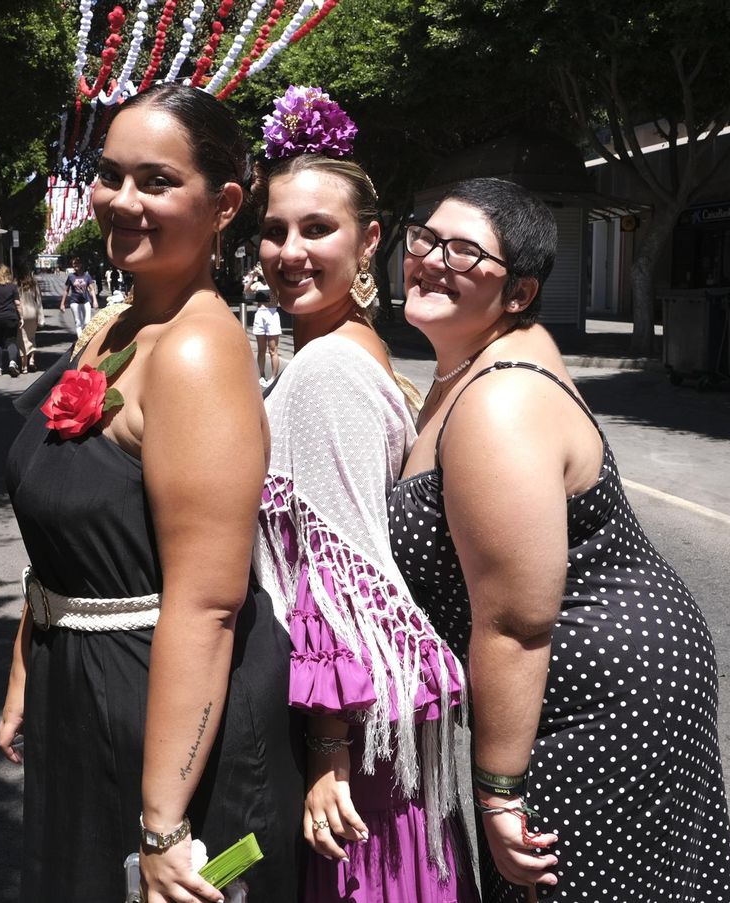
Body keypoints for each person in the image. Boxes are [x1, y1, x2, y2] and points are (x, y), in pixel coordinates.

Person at [389, 178, 730, 902]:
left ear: (517, 292)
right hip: (589, 680)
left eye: (463, 251)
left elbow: (516, 621)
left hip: (593, 698)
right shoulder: (478, 361)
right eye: (425, 236)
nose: (430, 258)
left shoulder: (501, 400)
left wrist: (497, 791)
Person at [0, 83, 299, 903]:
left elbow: (207, 604)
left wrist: (164, 824)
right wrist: (30, 662)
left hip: (161, 714)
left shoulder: (199, 350)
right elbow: (65, 538)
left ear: (223, 202)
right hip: (84, 685)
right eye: (109, 173)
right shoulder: (115, 324)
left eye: (156, 181)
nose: (121, 200)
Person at [248, 98, 477, 903]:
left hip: (353, 750)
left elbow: (343, 572)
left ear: (370, 240)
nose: (289, 251)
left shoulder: (325, 372)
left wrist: (326, 747)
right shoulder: (354, 350)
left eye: (317, 229)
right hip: (378, 735)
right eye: (275, 231)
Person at [248, 269, 281, 384]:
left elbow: (275, 293)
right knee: (261, 349)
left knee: (273, 350)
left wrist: (263, 273)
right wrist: (252, 277)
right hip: (260, 314)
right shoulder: (257, 284)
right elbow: (246, 291)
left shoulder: (274, 282)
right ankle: (261, 375)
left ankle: (273, 377)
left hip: (271, 314)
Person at [62, 256, 96, 337]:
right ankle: (80, 341)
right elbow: (66, 290)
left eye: (77, 263)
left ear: (81, 264)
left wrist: (95, 301)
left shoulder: (87, 276)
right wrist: (62, 304)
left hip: (86, 301)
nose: (75, 265)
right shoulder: (71, 276)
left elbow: (91, 289)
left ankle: (85, 337)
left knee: (87, 322)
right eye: (73, 264)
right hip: (75, 302)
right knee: (78, 322)